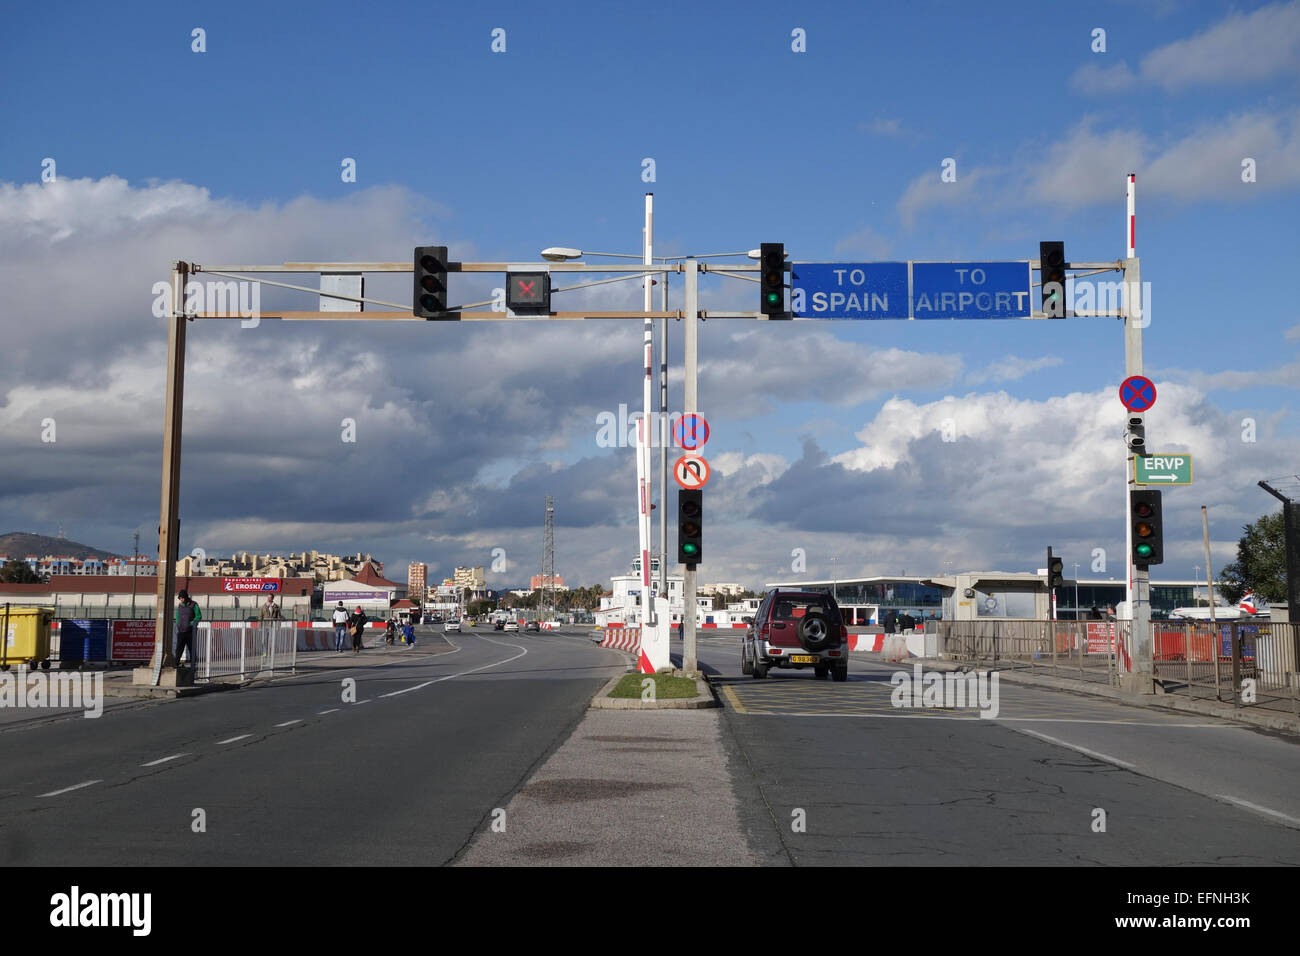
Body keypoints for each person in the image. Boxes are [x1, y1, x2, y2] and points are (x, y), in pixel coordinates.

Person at [174, 589, 202, 668]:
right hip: (181, 631)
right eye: (179, 598)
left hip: (190, 631)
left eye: (182, 598)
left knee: (191, 648)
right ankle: (176, 664)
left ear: (186, 597)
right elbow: (177, 615)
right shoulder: (180, 606)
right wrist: (178, 623)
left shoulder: (194, 605)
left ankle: (193, 665)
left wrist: (191, 623)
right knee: (179, 648)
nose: (181, 600)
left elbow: (198, 616)